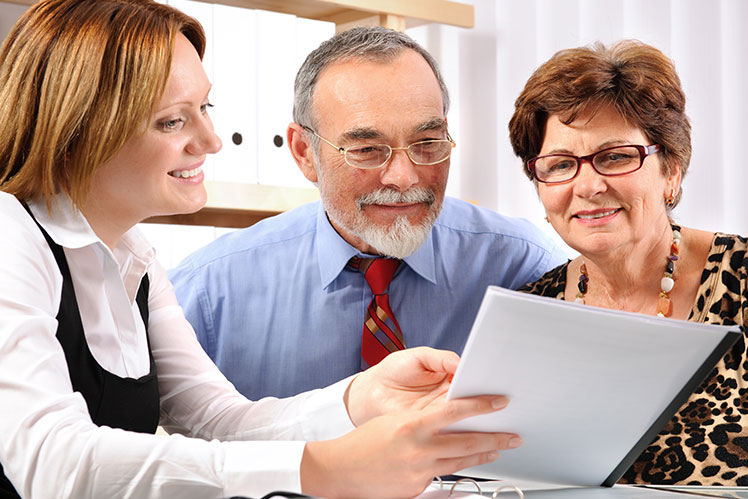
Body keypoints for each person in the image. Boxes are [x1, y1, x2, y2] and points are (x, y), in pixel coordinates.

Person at [0, 1, 523, 497]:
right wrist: (324, 467)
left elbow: (217, 420)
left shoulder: (134, 257)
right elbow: (53, 462)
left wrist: (361, 397)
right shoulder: (10, 234)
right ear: (80, 127)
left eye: (204, 108)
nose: (211, 141)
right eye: (173, 120)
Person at [169, 26, 567, 401]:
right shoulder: (209, 293)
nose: (403, 177)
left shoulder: (523, 266)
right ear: (304, 152)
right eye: (367, 150)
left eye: (427, 143)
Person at [509, 39, 748, 486]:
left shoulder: (742, 276)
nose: (588, 186)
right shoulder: (528, 314)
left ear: (671, 171)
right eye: (560, 165)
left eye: (615, 157)